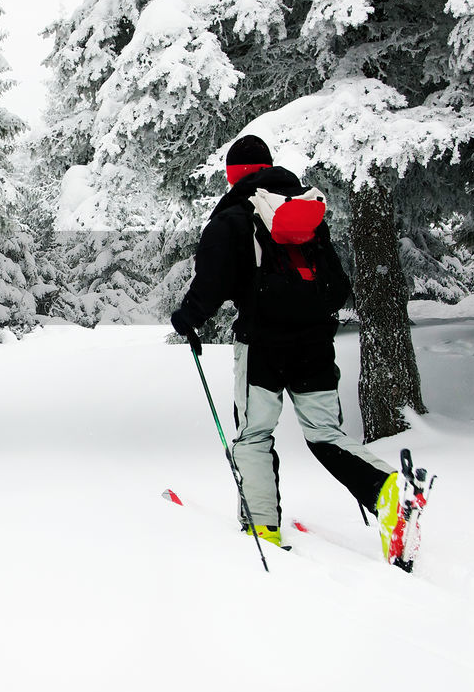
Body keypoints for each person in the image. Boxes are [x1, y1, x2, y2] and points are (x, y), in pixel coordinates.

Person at [170, 134, 404, 551]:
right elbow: (336, 286)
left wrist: (187, 320)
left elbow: (211, 283)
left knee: (255, 435)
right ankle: (387, 491)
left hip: (262, 346)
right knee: (326, 434)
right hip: (314, 344)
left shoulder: (232, 219)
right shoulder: (303, 211)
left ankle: (263, 528)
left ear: (233, 176)